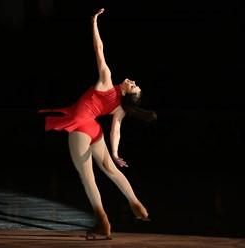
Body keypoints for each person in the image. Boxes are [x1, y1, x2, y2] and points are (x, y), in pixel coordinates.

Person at [38, 8, 157, 240]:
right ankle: (135, 203)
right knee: (111, 170)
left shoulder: (107, 81)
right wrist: (114, 152)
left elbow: (98, 49)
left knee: (88, 178)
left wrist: (93, 22)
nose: (132, 81)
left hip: (81, 126)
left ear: (126, 92)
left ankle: (102, 221)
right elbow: (116, 130)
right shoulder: (120, 108)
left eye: (133, 85)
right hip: (94, 129)